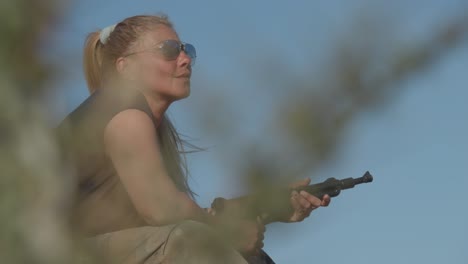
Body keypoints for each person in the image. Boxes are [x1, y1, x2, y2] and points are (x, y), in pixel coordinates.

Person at [56, 14, 331, 264]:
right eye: (169, 51)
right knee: (191, 242)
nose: (185, 59)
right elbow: (161, 208)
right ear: (124, 67)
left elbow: (180, 212)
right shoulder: (125, 115)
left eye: (186, 50)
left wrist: (270, 205)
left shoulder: (148, 125)